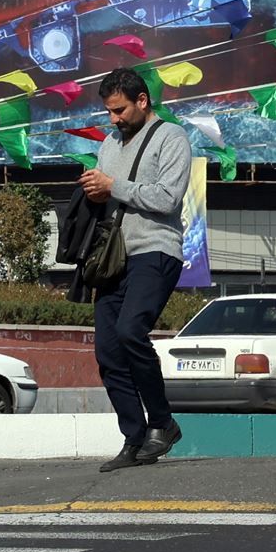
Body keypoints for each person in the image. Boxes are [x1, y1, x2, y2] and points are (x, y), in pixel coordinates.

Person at [77, 67, 194, 472]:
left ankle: (163, 422)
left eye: (120, 110)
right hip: (113, 256)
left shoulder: (172, 137)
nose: (114, 119)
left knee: (130, 330)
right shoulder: (109, 144)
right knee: (107, 351)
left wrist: (112, 186)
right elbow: (109, 196)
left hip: (156, 250)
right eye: (109, 111)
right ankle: (135, 437)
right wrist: (94, 191)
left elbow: (167, 198)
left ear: (142, 101)